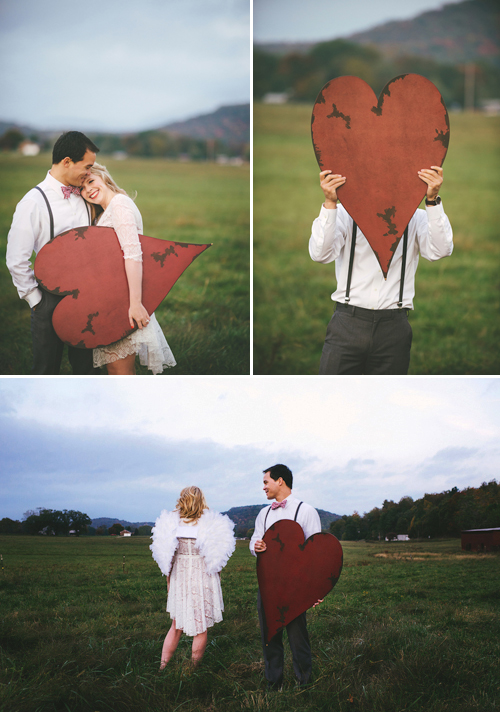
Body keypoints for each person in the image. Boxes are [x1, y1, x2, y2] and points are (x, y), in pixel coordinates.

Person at [309, 165, 453, 374]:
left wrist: (432, 201)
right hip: (347, 322)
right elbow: (320, 254)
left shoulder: (417, 218)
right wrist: (330, 203)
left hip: (394, 328)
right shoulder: (343, 215)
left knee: (385, 400)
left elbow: (440, 250)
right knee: (332, 396)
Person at [6, 131, 100, 374]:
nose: (90, 173)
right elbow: (17, 259)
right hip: (49, 299)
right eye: (87, 166)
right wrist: (36, 301)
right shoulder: (33, 202)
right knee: (46, 371)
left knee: (87, 370)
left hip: (86, 298)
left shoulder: (86, 194)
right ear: (67, 161)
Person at [80, 163, 176, 375]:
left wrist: (135, 304)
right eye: (82, 188)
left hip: (124, 302)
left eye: (90, 181)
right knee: (115, 371)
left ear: (103, 177)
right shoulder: (106, 210)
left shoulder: (119, 204)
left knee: (120, 372)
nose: (88, 190)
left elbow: (133, 254)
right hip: (112, 299)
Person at [250, 464, 321, 690]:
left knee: (297, 636)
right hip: (268, 585)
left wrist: (315, 589)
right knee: (269, 636)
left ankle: (304, 683)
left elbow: (315, 552)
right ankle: (274, 683)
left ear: (280, 481)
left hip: (295, 586)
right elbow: (254, 541)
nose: (263, 487)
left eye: (265, 482)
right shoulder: (264, 513)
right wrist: (256, 545)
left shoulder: (306, 511)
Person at [150, 486, 235, 669]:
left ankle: (162, 667)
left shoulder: (172, 524)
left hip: (179, 575)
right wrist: (216, 581)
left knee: (176, 625)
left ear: (182, 499)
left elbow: (167, 560)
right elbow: (217, 558)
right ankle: (192, 669)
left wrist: (169, 583)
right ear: (201, 500)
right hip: (202, 575)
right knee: (201, 626)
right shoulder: (210, 524)